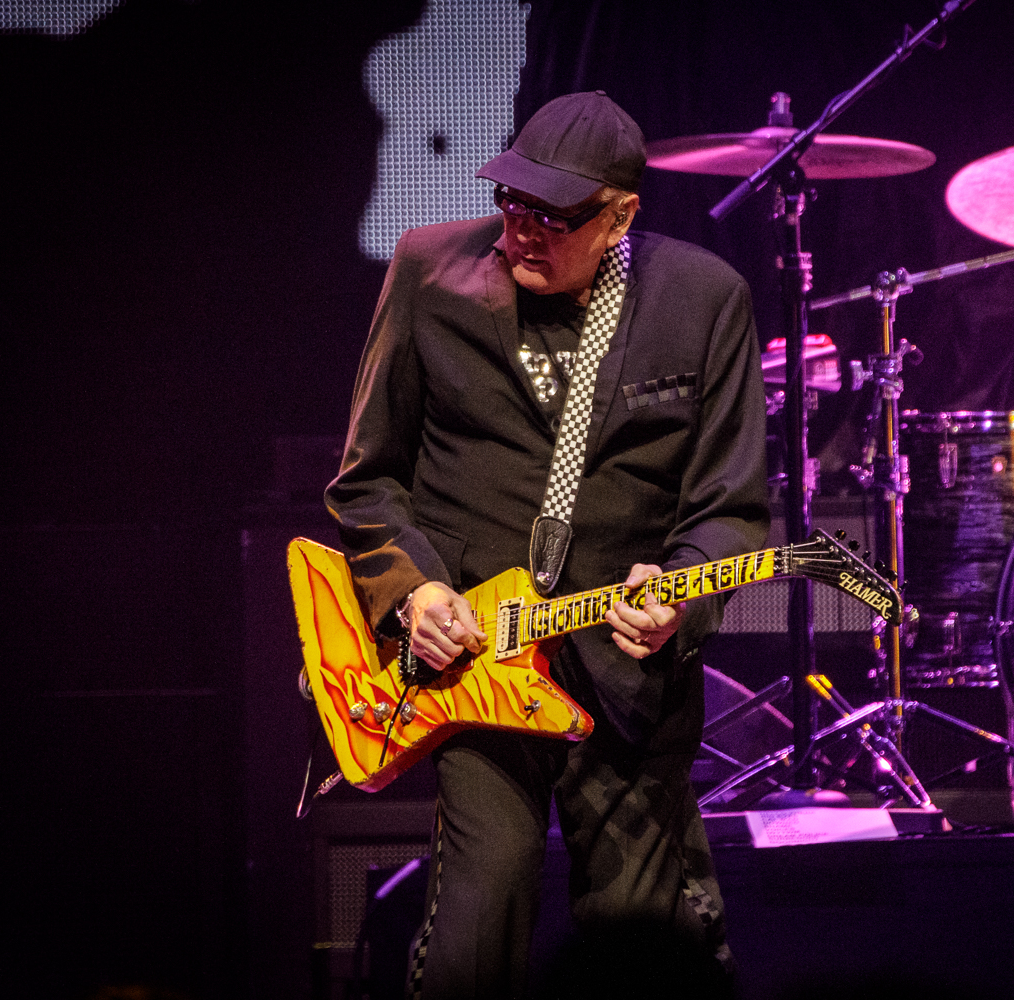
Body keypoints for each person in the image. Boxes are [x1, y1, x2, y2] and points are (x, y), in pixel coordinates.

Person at [325, 91, 768, 998]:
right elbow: (367, 480)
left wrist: (681, 594)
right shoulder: (428, 270)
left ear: (621, 216)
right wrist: (414, 592)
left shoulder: (704, 297)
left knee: (644, 944)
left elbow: (731, 508)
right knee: (479, 923)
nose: (522, 231)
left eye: (554, 217)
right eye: (512, 204)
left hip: (626, 671)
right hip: (474, 664)